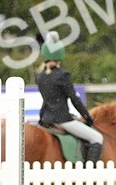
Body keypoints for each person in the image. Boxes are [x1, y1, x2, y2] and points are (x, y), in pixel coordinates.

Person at [35, 31, 104, 164]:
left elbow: (47, 100)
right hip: (63, 120)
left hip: (46, 119)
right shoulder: (62, 75)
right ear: (60, 55)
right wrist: (87, 117)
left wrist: (42, 117)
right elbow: (74, 99)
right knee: (97, 138)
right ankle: (87, 176)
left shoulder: (41, 76)